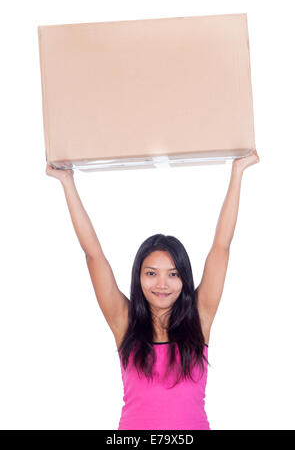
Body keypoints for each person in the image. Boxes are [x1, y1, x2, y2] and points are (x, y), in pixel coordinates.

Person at [46, 150, 260, 430]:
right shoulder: (124, 322)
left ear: (184, 279)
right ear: (138, 277)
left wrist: (238, 171)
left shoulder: (200, 317)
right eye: (151, 274)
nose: (162, 284)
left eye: (173, 274)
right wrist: (67, 181)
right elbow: (93, 255)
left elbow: (222, 245)